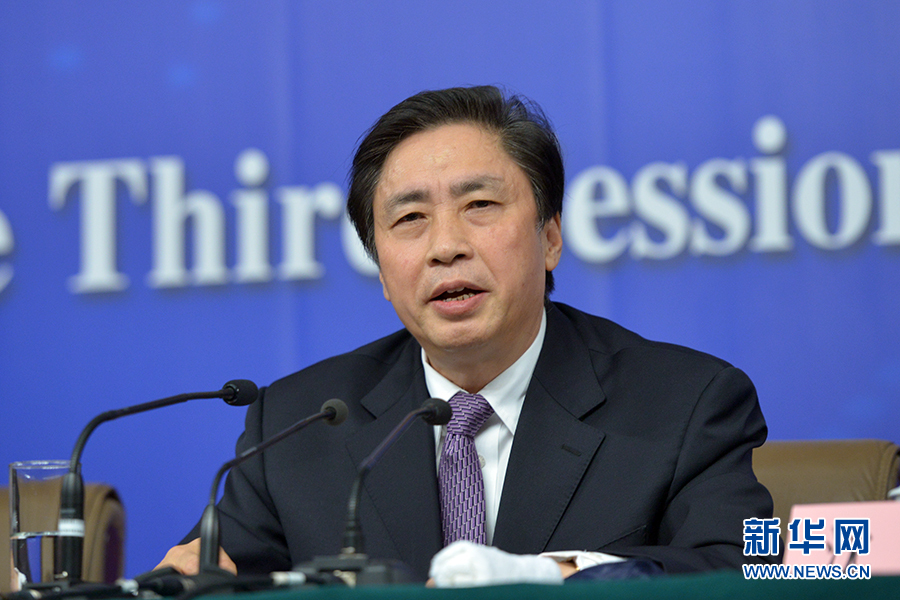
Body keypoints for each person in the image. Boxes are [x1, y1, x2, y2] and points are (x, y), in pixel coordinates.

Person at [156, 85, 774, 582]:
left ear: (550, 236)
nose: (445, 246)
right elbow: (216, 576)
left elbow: (746, 567)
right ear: (382, 271)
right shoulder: (300, 424)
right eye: (410, 218)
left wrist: (555, 575)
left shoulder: (687, 403)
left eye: (479, 205)